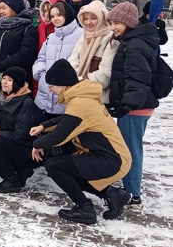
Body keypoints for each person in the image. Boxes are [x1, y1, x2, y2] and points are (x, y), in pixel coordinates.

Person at [31, 59, 132, 224]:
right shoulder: (81, 96)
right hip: (111, 156)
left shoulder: (80, 103)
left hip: (112, 160)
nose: (49, 89)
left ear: (63, 84)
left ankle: (84, 208)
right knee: (69, 169)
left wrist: (37, 144)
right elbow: (67, 119)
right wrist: (44, 126)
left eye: (52, 85)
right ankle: (113, 195)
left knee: (54, 165)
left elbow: (60, 136)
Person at [106, 2, 159, 209]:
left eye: (117, 23)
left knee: (130, 149)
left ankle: (133, 194)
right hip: (134, 105)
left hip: (136, 108)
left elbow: (138, 79)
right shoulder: (131, 41)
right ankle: (130, 188)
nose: (113, 27)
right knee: (129, 147)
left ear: (128, 23)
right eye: (111, 23)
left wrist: (127, 106)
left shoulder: (135, 45)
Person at [0, 66, 44, 193]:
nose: (4, 82)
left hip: (29, 150)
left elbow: (20, 136)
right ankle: (21, 171)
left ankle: (11, 180)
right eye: (4, 78)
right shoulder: (5, 99)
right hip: (14, 144)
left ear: (18, 83)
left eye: (10, 80)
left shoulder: (26, 104)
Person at [33, 1, 82, 117]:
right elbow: (41, 59)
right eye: (52, 16)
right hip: (44, 95)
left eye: (59, 15)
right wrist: (42, 76)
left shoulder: (81, 35)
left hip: (66, 96)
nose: (55, 19)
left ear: (67, 14)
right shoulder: (51, 37)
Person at [68, 0, 118, 105]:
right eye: (85, 18)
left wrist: (79, 81)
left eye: (93, 18)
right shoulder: (84, 37)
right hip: (79, 95)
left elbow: (105, 75)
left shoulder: (110, 39)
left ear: (102, 18)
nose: (88, 22)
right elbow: (72, 62)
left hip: (99, 100)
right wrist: (72, 79)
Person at [0, 0, 38, 75]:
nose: (1, 11)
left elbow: (26, 54)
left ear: (14, 9)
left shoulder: (28, 28)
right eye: (0, 8)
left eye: (4, 8)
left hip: (14, 75)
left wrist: (2, 66)